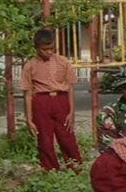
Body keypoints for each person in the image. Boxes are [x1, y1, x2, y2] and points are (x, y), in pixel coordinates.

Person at [21, 28, 82, 171]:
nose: (48, 52)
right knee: (45, 140)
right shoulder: (29, 66)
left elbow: (70, 88)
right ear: (36, 48)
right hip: (41, 102)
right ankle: (50, 170)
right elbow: (28, 94)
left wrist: (72, 111)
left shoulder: (63, 62)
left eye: (51, 48)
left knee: (67, 137)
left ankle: (76, 167)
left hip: (61, 100)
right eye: (44, 49)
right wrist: (29, 119)